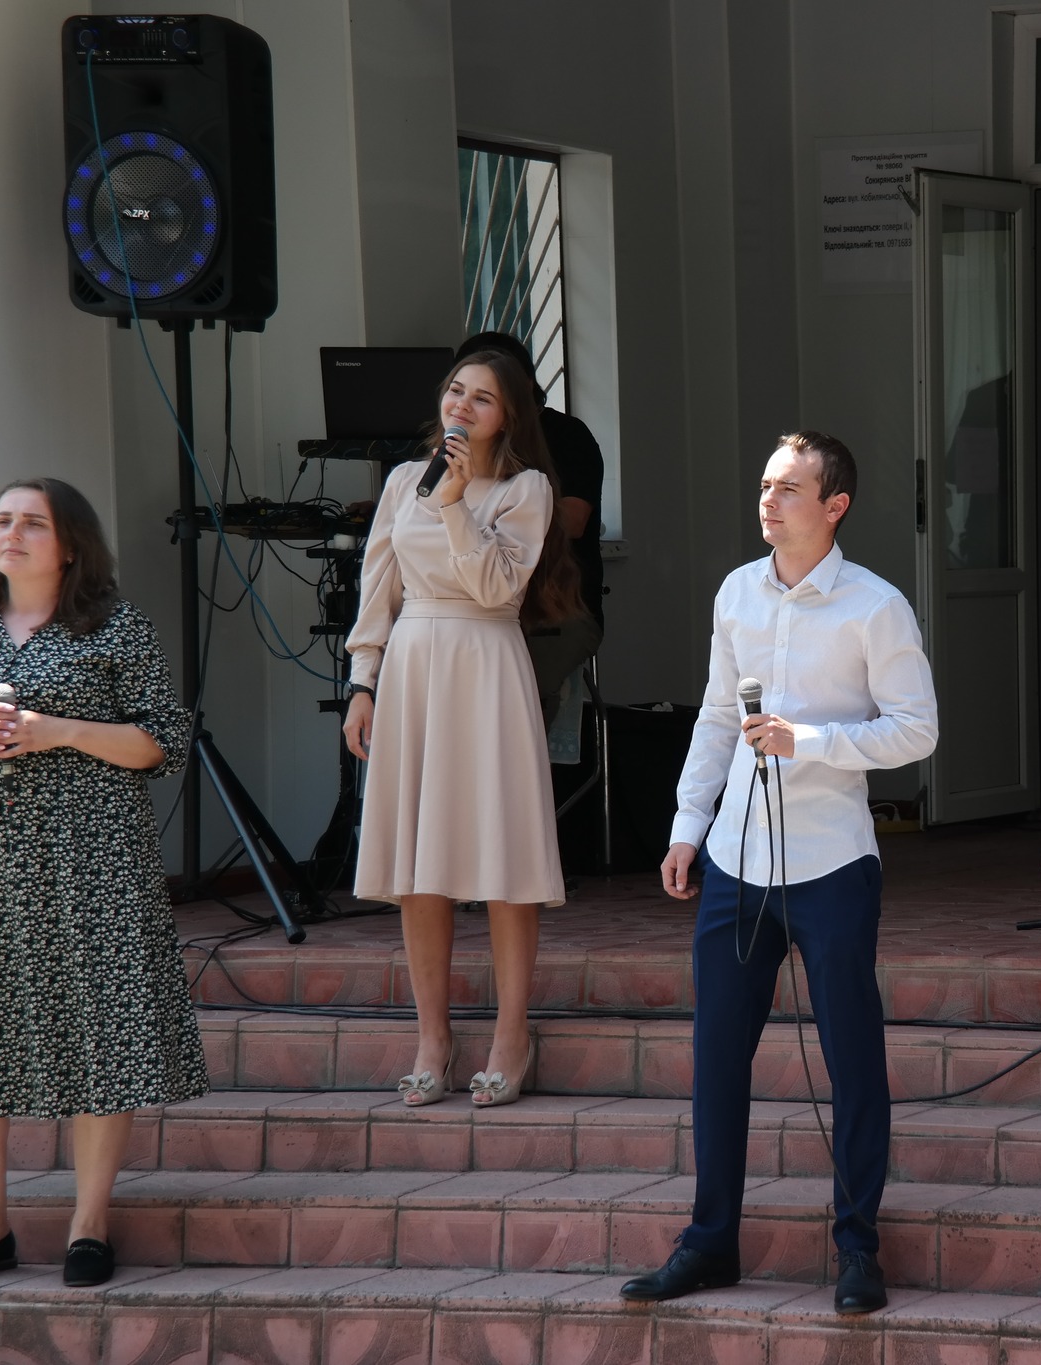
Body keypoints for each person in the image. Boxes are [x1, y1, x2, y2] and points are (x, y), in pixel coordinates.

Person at [622, 431, 938, 1315]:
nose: (769, 500)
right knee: (717, 1057)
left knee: (852, 1059)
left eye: (789, 487)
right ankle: (709, 1242)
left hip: (834, 862)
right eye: (766, 484)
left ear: (835, 505)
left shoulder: (876, 606)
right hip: (736, 861)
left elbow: (918, 730)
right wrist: (688, 827)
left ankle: (857, 1248)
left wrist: (813, 741)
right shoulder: (735, 593)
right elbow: (716, 718)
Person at [0, 479, 206, 1290]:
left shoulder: (116, 625)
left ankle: (88, 1224)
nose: (12, 532)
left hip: (96, 862)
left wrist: (55, 731)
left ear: (70, 545)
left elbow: (162, 740)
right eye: (3, 520)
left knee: (100, 1033)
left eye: (32, 522)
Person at [342, 350, 582, 1109]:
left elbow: (495, 585)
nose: (463, 406)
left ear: (507, 416)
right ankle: (433, 1038)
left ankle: (511, 1035)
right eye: (456, 391)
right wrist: (362, 682)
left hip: (486, 662)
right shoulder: (399, 484)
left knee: (504, 857)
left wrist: (452, 503)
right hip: (414, 666)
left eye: (482, 398)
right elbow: (378, 586)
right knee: (421, 862)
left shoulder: (525, 488)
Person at [454, 331, 605, 723]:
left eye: (487, 391)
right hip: (467, 609)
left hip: (552, 612)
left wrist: (490, 509)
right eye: (462, 388)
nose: (469, 404)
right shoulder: (454, 447)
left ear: (519, 387)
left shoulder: (567, 435)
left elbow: (574, 520)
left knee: (508, 706)